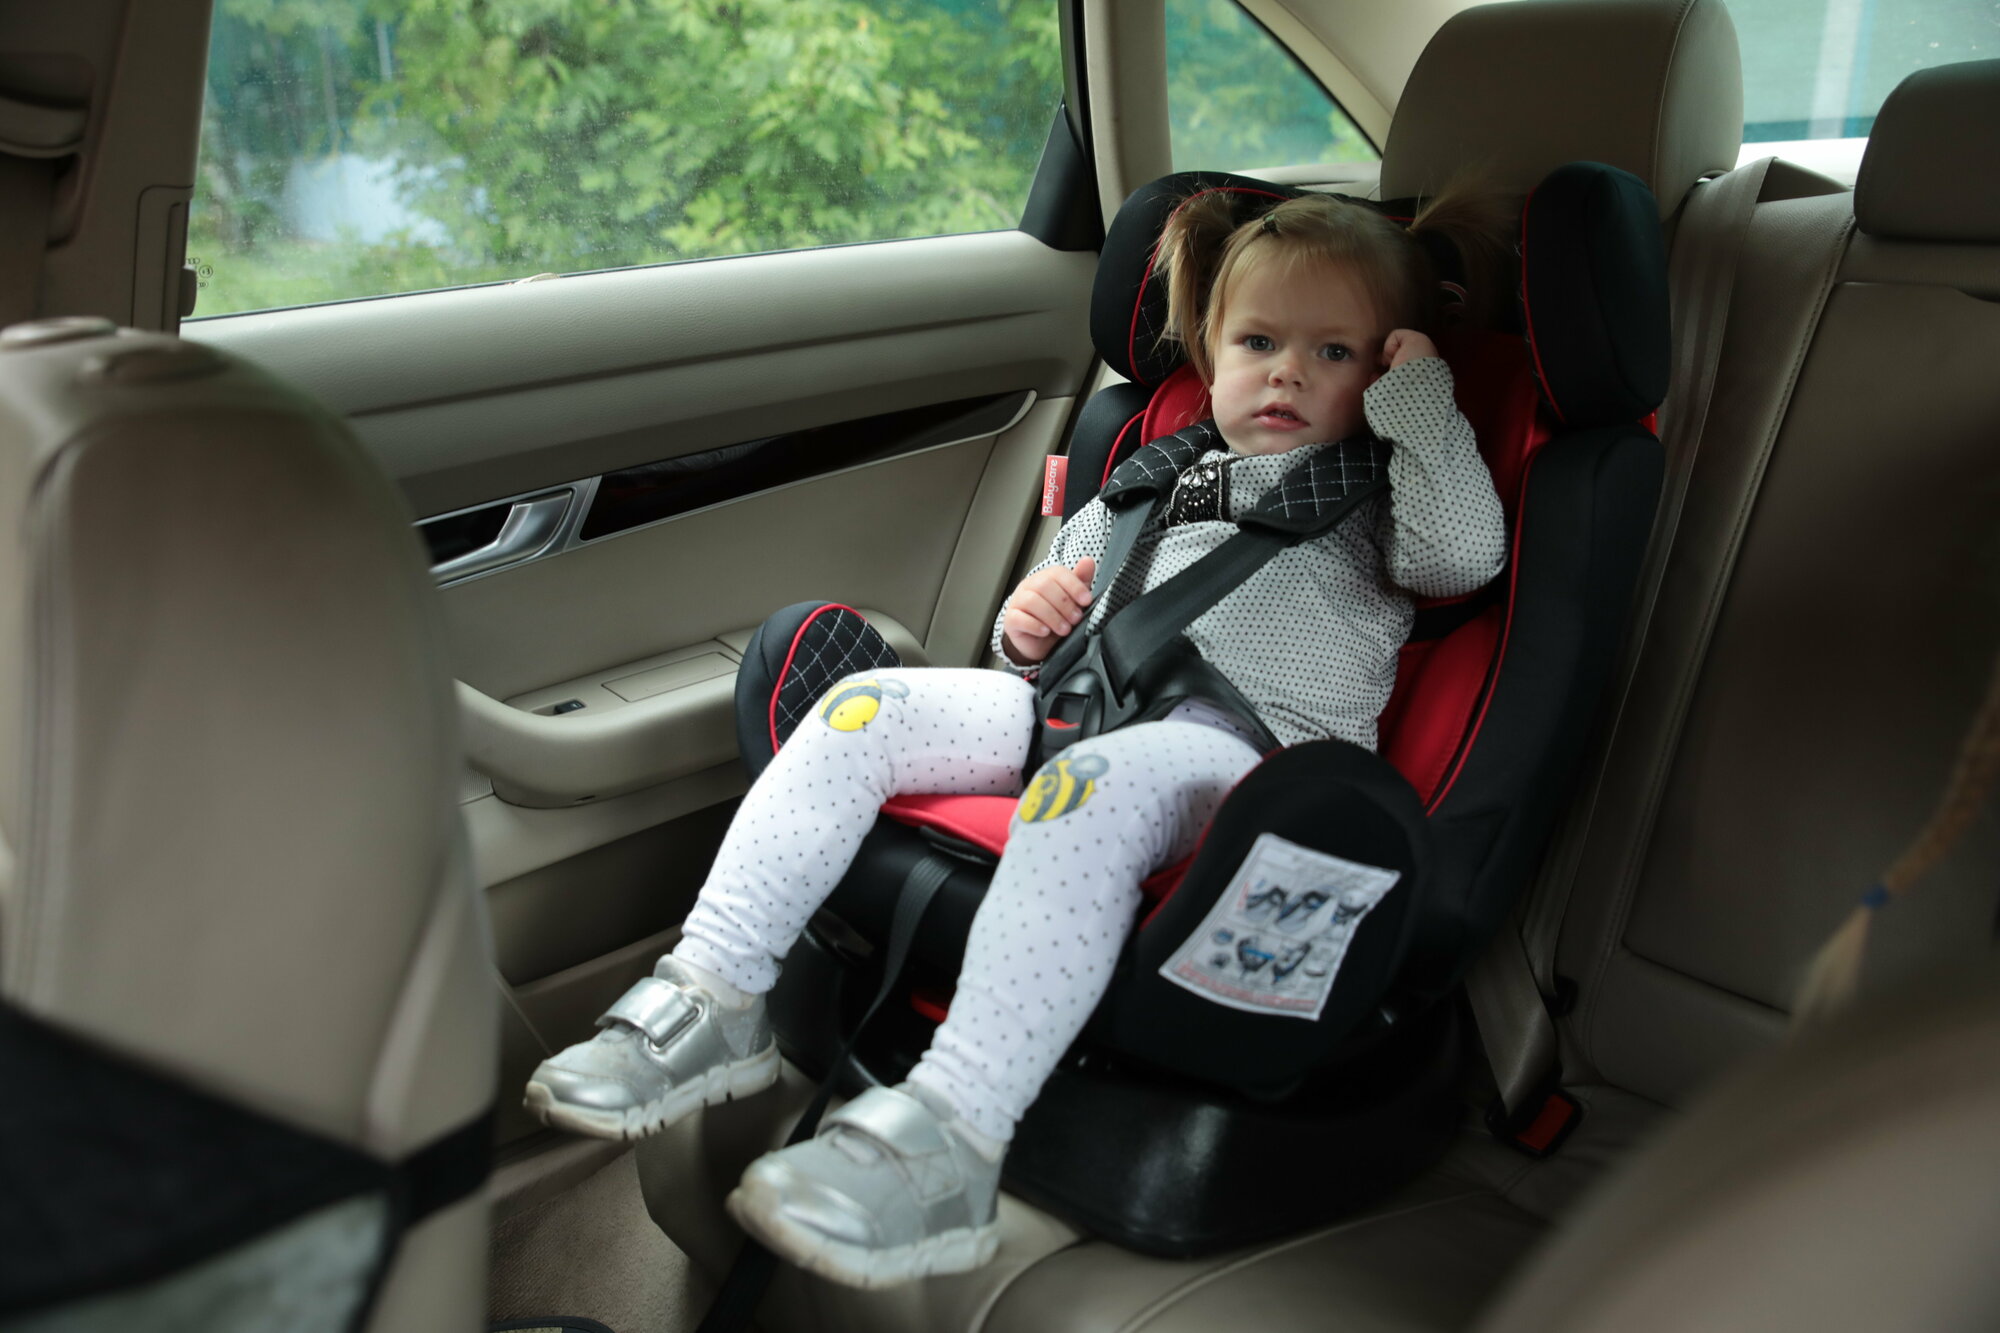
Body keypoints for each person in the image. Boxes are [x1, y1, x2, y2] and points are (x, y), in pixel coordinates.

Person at [524, 186, 1510, 1289]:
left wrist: (1421, 401)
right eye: (1258, 342)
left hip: (1240, 750)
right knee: (865, 710)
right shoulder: (1148, 476)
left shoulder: (1384, 489)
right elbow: (1043, 621)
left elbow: (1461, 560)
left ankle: (951, 1132)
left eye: (1332, 352)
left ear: (1386, 369)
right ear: (1209, 349)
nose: (1284, 373)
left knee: (1085, 787)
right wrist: (1026, 621)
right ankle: (715, 991)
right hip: (1078, 708)